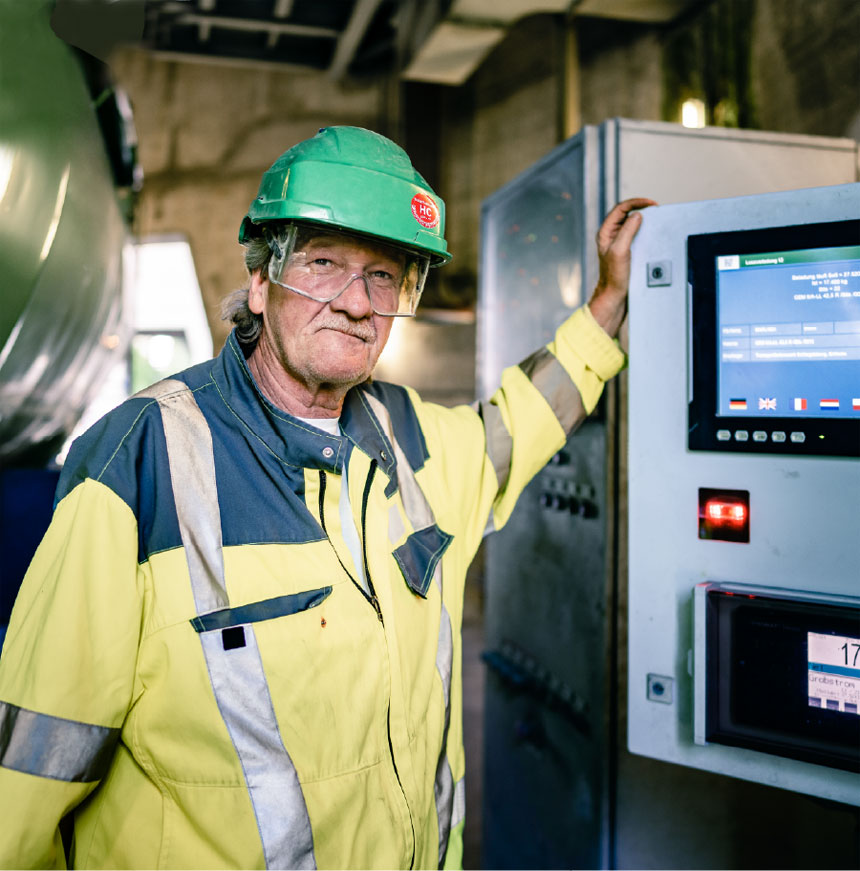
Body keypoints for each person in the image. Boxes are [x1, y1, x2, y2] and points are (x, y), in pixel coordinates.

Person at [0, 125, 653, 869]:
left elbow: (518, 428)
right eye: (323, 263)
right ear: (259, 278)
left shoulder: (412, 438)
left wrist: (607, 306)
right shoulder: (140, 460)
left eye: (383, 277)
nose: (355, 302)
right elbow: (29, 768)